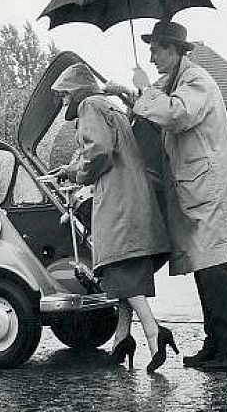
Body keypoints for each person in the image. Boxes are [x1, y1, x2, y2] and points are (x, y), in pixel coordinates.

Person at [116, 20, 227, 371]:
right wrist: (130, 94)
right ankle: (216, 343)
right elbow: (159, 105)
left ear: (176, 50)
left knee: (217, 268)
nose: (152, 56)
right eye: (150, 49)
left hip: (211, 189)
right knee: (204, 268)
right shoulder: (178, 81)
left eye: (157, 49)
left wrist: (144, 89)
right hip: (200, 188)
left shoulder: (197, 81)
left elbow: (175, 113)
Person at [51, 63, 177, 373]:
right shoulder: (112, 107)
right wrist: (69, 169)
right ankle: (122, 339)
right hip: (134, 193)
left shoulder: (90, 105)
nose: (64, 103)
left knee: (117, 266)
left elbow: (99, 151)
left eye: (65, 96)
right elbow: (103, 146)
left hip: (117, 197)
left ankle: (153, 331)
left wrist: (79, 175)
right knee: (124, 269)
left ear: (76, 92)